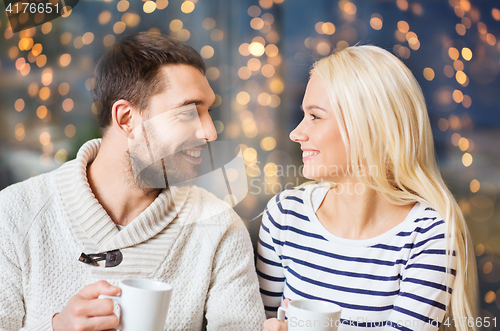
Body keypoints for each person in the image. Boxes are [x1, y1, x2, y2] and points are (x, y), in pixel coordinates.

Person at [0, 32, 265, 331]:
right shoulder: (14, 213)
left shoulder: (219, 227)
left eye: (208, 112)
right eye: (188, 111)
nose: (209, 132)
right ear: (126, 119)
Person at [258, 45, 478, 331]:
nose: (296, 133)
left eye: (315, 116)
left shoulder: (428, 234)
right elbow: (261, 321)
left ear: (369, 127)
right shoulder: (285, 215)